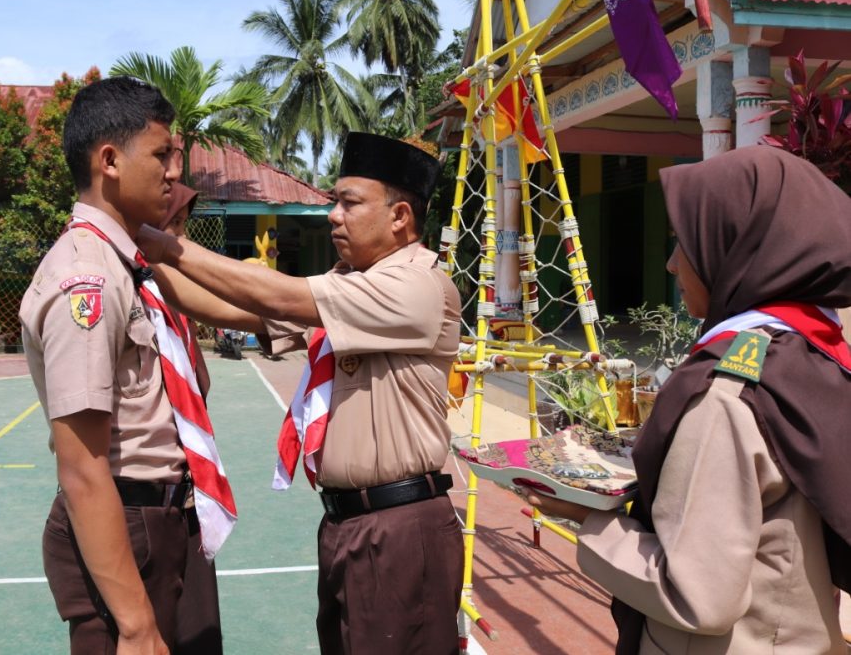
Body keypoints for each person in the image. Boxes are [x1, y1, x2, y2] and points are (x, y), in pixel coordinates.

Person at [137, 131, 465, 655]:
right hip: (347, 525)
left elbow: (280, 294)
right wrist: (151, 261)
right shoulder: (352, 282)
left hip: (401, 530)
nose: (334, 215)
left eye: (350, 203)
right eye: (335, 201)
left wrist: (170, 245)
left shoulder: (415, 285)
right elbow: (237, 311)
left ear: (400, 217)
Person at [522, 145, 851, 654]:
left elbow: (697, 596)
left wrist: (588, 517)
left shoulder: (727, 397)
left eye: (685, 243)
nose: (673, 263)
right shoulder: (813, 356)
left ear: (737, 248)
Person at [20, 77, 236, 655]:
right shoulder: (85, 278)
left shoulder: (131, 263)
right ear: (109, 160)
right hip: (128, 527)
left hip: (170, 517)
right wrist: (137, 627)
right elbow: (84, 467)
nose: (174, 171)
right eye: (163, 155)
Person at [159, 182, 221, 654]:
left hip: (188, 497)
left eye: (183, 225)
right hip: (148, 505)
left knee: (199, 635)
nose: (180, 238)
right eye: (172, 224)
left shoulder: (178, 305)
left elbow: (198, 384)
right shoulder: (130, 289)